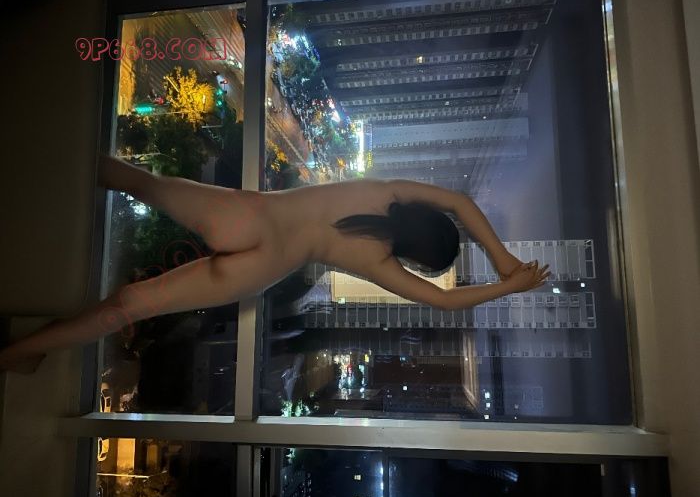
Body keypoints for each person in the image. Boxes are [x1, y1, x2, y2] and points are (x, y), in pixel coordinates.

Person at [0, 156, 549, 373]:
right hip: (260, 268)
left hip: (247, 217)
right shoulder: (379, 260)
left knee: (137, 181)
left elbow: (460, 202)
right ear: (416, 255)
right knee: (126, 308)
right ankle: (19, 351)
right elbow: (446, 302)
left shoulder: (387, 191)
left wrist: (502, 257)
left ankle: (32, 160)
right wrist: (506, 288)